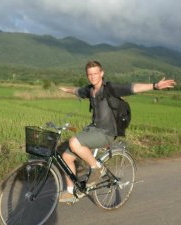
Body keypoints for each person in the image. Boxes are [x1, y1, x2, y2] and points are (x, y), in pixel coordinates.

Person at [58, 60, 176, 203]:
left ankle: (97, 168)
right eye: (90, 74)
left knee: (74, 141)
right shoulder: (89, 90)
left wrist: (155, 86)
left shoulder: (110, 88)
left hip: (107, 133)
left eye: (96, 73)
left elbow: (132, 87)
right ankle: (71, 192)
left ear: (101, 73)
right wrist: (66, 90)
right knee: (66, 156)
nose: (93, 76)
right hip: (94, 130)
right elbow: (77, 91)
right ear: (87, 75)